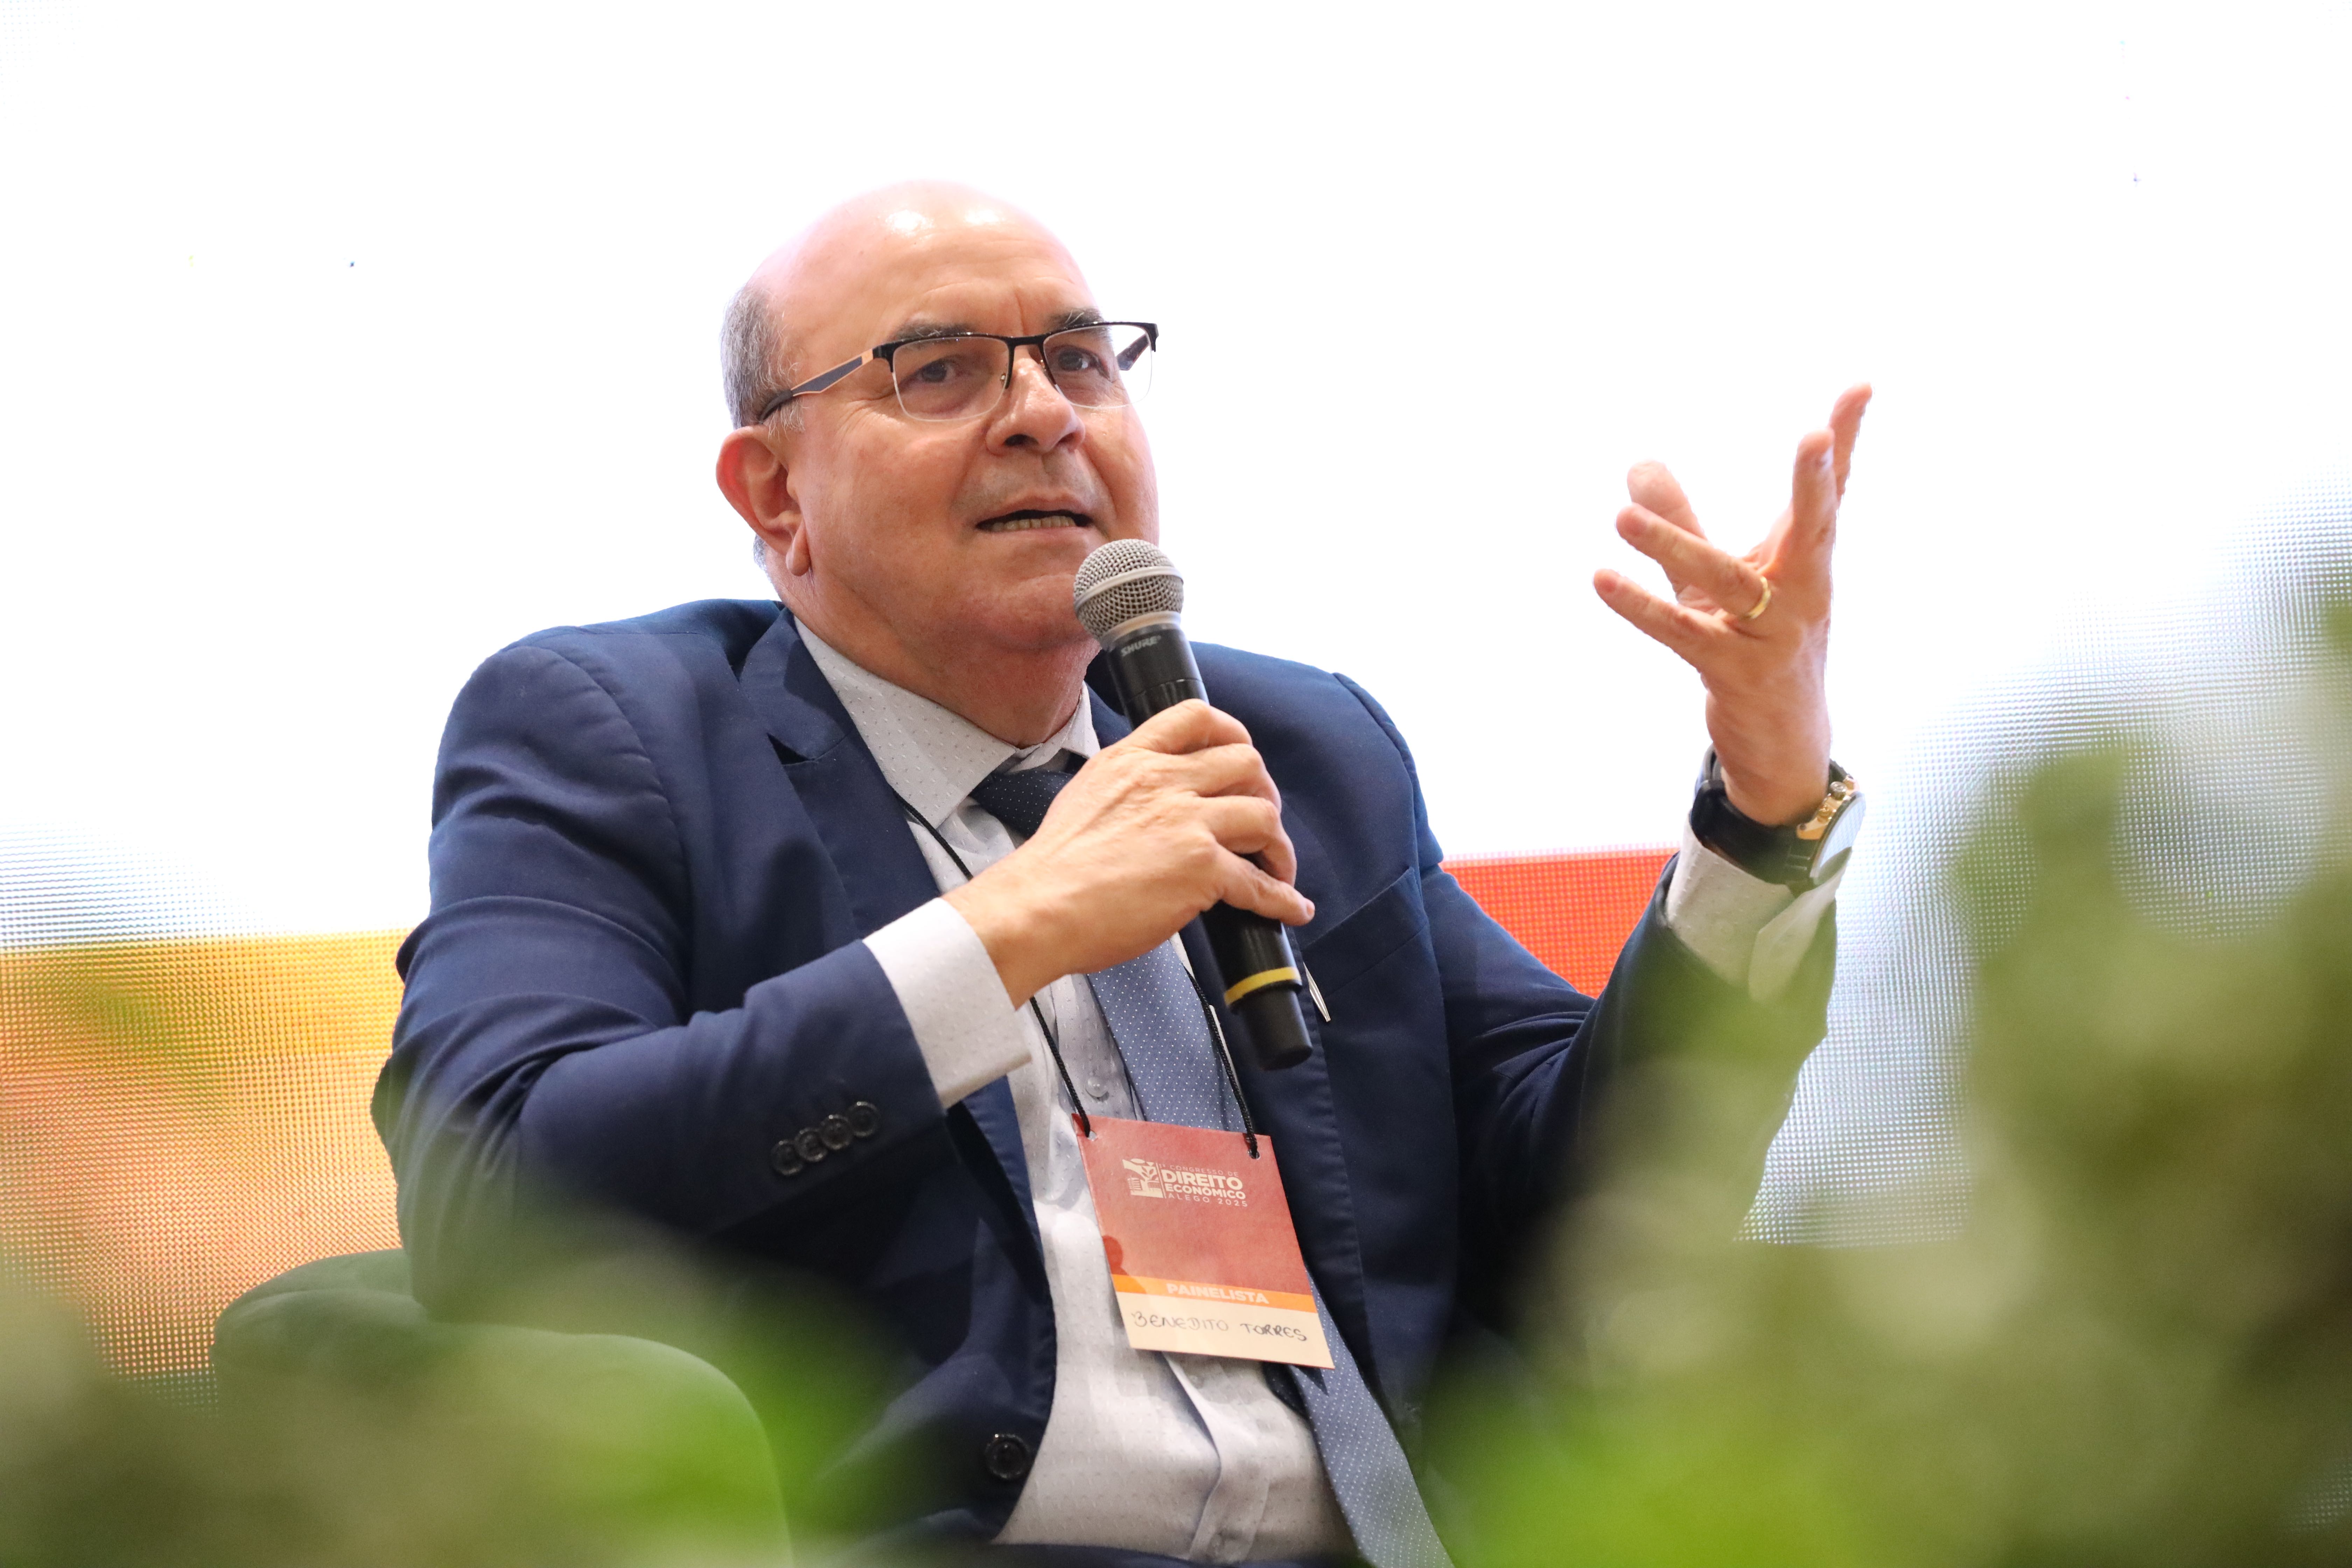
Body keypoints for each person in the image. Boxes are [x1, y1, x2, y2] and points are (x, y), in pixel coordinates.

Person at [375, 181, 1870, 1568]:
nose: (1043, 414)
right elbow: (495, 1182)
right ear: (774, 495)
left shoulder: (1303, 748)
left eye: (1083, 362)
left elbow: (1598, 1191)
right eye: (940, 371)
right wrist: (1009, 929)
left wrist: (1765, 803)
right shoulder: (616, 736)